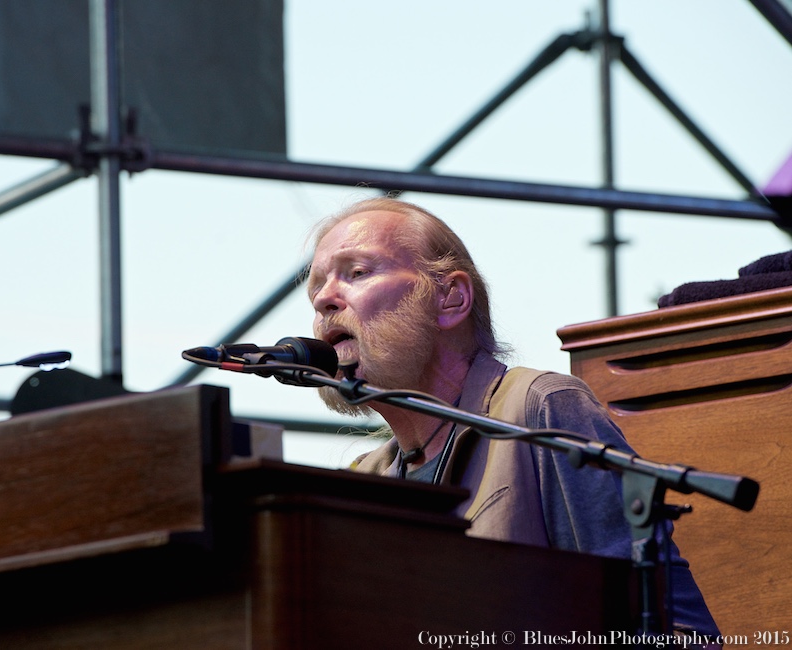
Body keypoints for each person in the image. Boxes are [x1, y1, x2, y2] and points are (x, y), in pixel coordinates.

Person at [306, 196, 720, 638]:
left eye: (358, 273)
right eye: (316, 289)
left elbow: (672, 629)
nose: (325, 299)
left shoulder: (539, 410)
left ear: (451, 298)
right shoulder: (365, 480)